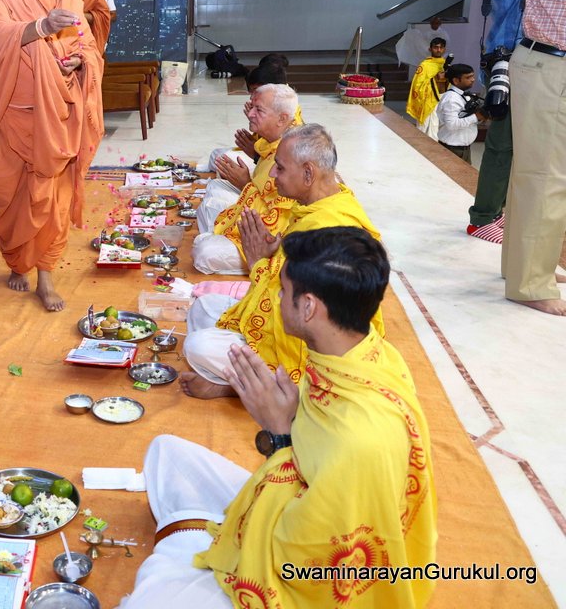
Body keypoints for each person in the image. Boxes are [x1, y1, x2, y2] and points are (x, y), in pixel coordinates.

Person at [119, 228, 436, 609]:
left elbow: (302, 560)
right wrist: (278, 417)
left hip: (304, 576)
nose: (277, 298)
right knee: (165, 453)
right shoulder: (360, 355)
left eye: (283, 291)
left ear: (308, 307)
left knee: (150, 595)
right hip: (293, 490)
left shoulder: (359, 439)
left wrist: (279, 433)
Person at [180, 124, 383, 398]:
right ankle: (242, 382)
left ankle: (271, 393)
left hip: (303, 355)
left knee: (197, 346)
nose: (273, 174)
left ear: (308, 173)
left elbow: (301, 321)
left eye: (281, 168)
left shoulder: (330, 231)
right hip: (276, 320)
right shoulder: (315, 206)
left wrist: (258, 263)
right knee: (202, 308)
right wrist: (272, 254)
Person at [0, 0, 103, 311]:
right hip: (12, 110)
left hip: (59, 114)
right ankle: (18, 262)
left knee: (53, 199)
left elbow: (85, 42)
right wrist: (41, 25)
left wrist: (79, 62)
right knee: (10, 195)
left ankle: (46, 276)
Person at [468, 0, 551, 244]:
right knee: (502, 145)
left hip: (510, 57)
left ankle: (495, 211)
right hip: (510, 60)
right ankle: (482, 218)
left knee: (511, 144)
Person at [502, 0, 566, 316]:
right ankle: (529, 283)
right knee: (546, 177)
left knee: (533, 173)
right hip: (552, 65)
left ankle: (524, 266)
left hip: (542, 60)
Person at [193, 85, 298, 275]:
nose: (249, 114)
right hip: (254, 210)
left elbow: (277, 222)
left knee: (204, 252)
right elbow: (262, 189)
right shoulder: (274, 139)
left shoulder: (292, 153)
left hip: (270, 237)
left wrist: (245, 184)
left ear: (282, 119)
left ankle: (221, 245)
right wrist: (251, 174)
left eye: (258, 110)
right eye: (251, 107)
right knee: (214, 189)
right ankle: (214, 238)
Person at [203, 61, 295, 173]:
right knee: (216, 155)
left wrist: (255, 155)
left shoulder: (286, 114)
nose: (251, 97)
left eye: (259, 109)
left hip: (265, 162)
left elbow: (275, 164)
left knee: (222, 161)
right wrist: (257, 125)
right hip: (260, 156)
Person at [435, 64, 482, 163]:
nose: (473, 80)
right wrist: (476, 116)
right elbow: (452, 125)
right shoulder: (451, 99)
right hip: (452, 150)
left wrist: (481, 117)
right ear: (456, 80)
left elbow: (467, 119)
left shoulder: (464, 95)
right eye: (468, 77)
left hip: (464, 149)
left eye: (473, 76)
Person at [404, 37, 447, 139]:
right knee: (425, 131)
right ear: (430, 49)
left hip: (442, 100)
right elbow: (417, 86)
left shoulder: (445, 64)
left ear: (444, 49)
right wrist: (435, 79)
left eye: (441, 47)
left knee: (438, 129)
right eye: (436, 47)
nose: (438, 50)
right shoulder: (424, 65)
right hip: (428, 101)